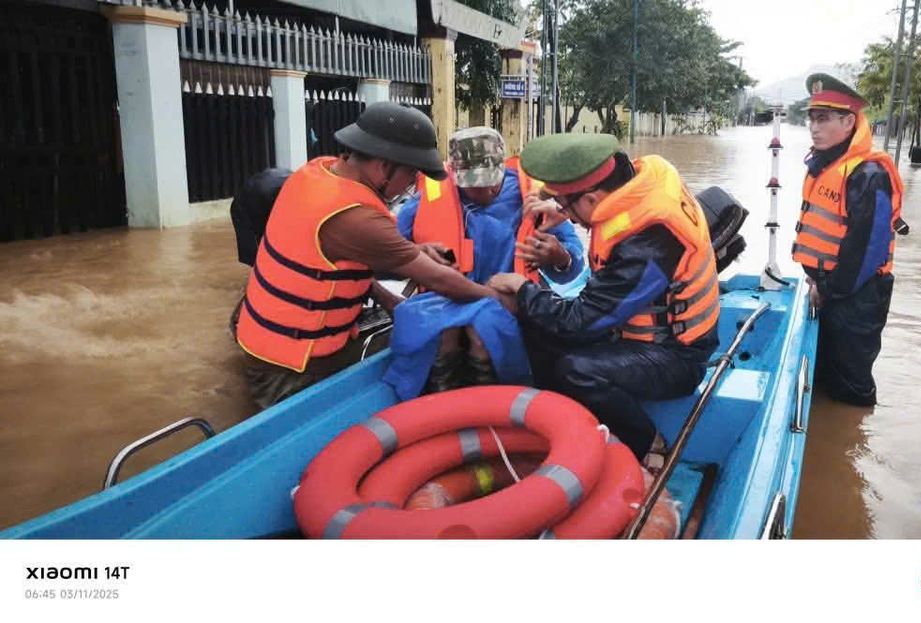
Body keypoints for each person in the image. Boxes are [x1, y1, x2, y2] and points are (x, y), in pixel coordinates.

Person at [234, 102, 501, 409]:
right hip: (289, 367)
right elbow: (439, 279)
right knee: (429, 343)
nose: (414, 184)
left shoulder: (318, 172)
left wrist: (394, 293)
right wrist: (500, 298)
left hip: (262, 339)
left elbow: (336, 263)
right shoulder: (357, 217)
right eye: (412, 173)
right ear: (385, 166)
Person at [487, 134, 720, 465]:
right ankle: (554, 421)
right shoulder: (642, 181)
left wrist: (522, 289)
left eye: (568, 205)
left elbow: (579, 323)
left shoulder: (650, 238)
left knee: (576, 369)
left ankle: (646, 442)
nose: (565, 213)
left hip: (675, 356)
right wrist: (563, 208)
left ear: (593, 198)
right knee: (536, 326)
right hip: (630, 332)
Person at [395, 127, 584, 390]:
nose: (483, 193)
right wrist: (418, 253)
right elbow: (390, 252)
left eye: (489, 183)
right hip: (449, 295)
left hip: (507, 297)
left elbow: (574, 268)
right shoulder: (426, 200)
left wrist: (558, 256)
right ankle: (443, 402)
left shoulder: (534, 199)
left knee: (483, 331)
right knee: (440, 334)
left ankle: (493, 400)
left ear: (501, 167)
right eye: (472, 187)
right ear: (455, 174)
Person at [791, 73, 904, 406]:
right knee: (825, 376)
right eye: (812, 118)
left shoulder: (869, 175)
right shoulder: (826, 165)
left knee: (850, 389)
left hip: (858, 297)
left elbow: (866, 254)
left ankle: (850, 446)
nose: (814, 127)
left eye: (823, 118)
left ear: (849, 121)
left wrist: (826, 289)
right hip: (832, 289)